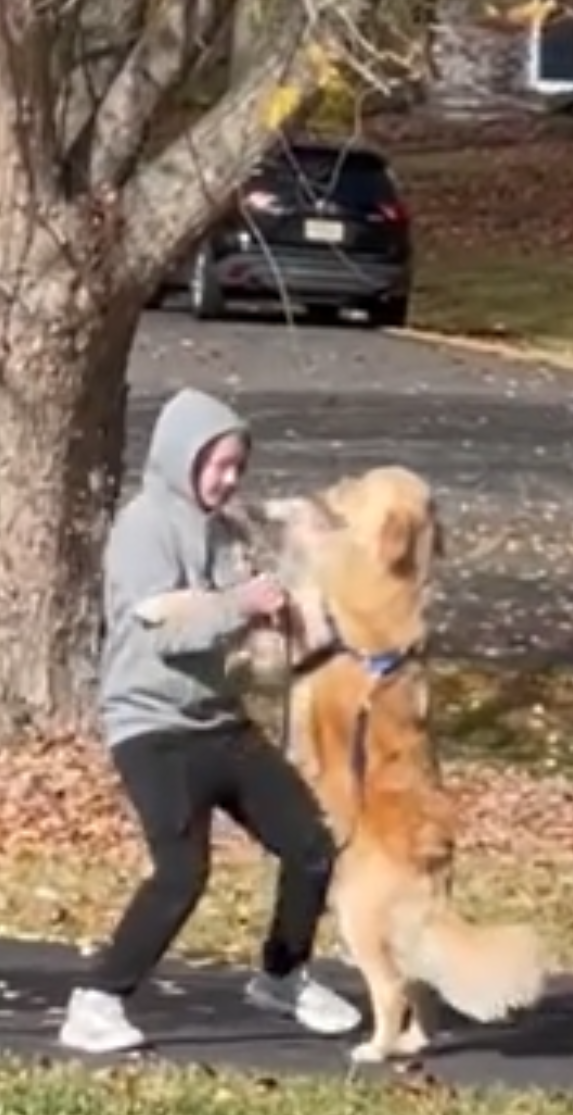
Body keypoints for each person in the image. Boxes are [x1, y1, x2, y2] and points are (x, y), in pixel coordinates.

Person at [58, 387, 364, 1053]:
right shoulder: (144, 526)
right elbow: (164, 626)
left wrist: (291, 618)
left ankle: (282, 977)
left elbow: (247, 624)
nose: (228, 480)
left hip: (219, 722)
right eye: (218, 465)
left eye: (237, 468)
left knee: (310, 845)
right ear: (181, 459)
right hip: (151, 727)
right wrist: (238, 602)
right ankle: (97, 1001)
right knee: (182, 871)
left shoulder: (227, 532)